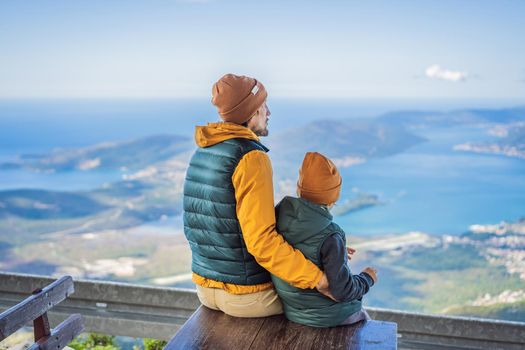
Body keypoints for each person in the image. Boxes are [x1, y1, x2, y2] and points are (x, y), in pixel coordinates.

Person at [183, 73, 332, 318]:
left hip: (205, 289)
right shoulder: (250, 157)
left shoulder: (204, 151)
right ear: (251, 112)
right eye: (264, 106)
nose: (269, 113)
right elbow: (262, 241)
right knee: (339, 304)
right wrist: (318, 279)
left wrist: (319, 245)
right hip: (247, 296)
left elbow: (214, 225)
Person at [271, 151, 378, 327]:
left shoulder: (278, 216)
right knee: (367, 324)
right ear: (333, 198)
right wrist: (368, 278)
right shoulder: (330, 235)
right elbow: (343, 291)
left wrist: (336, 250)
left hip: (294, 311)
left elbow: (306, 248)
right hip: (331, 316)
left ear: (299, 188)